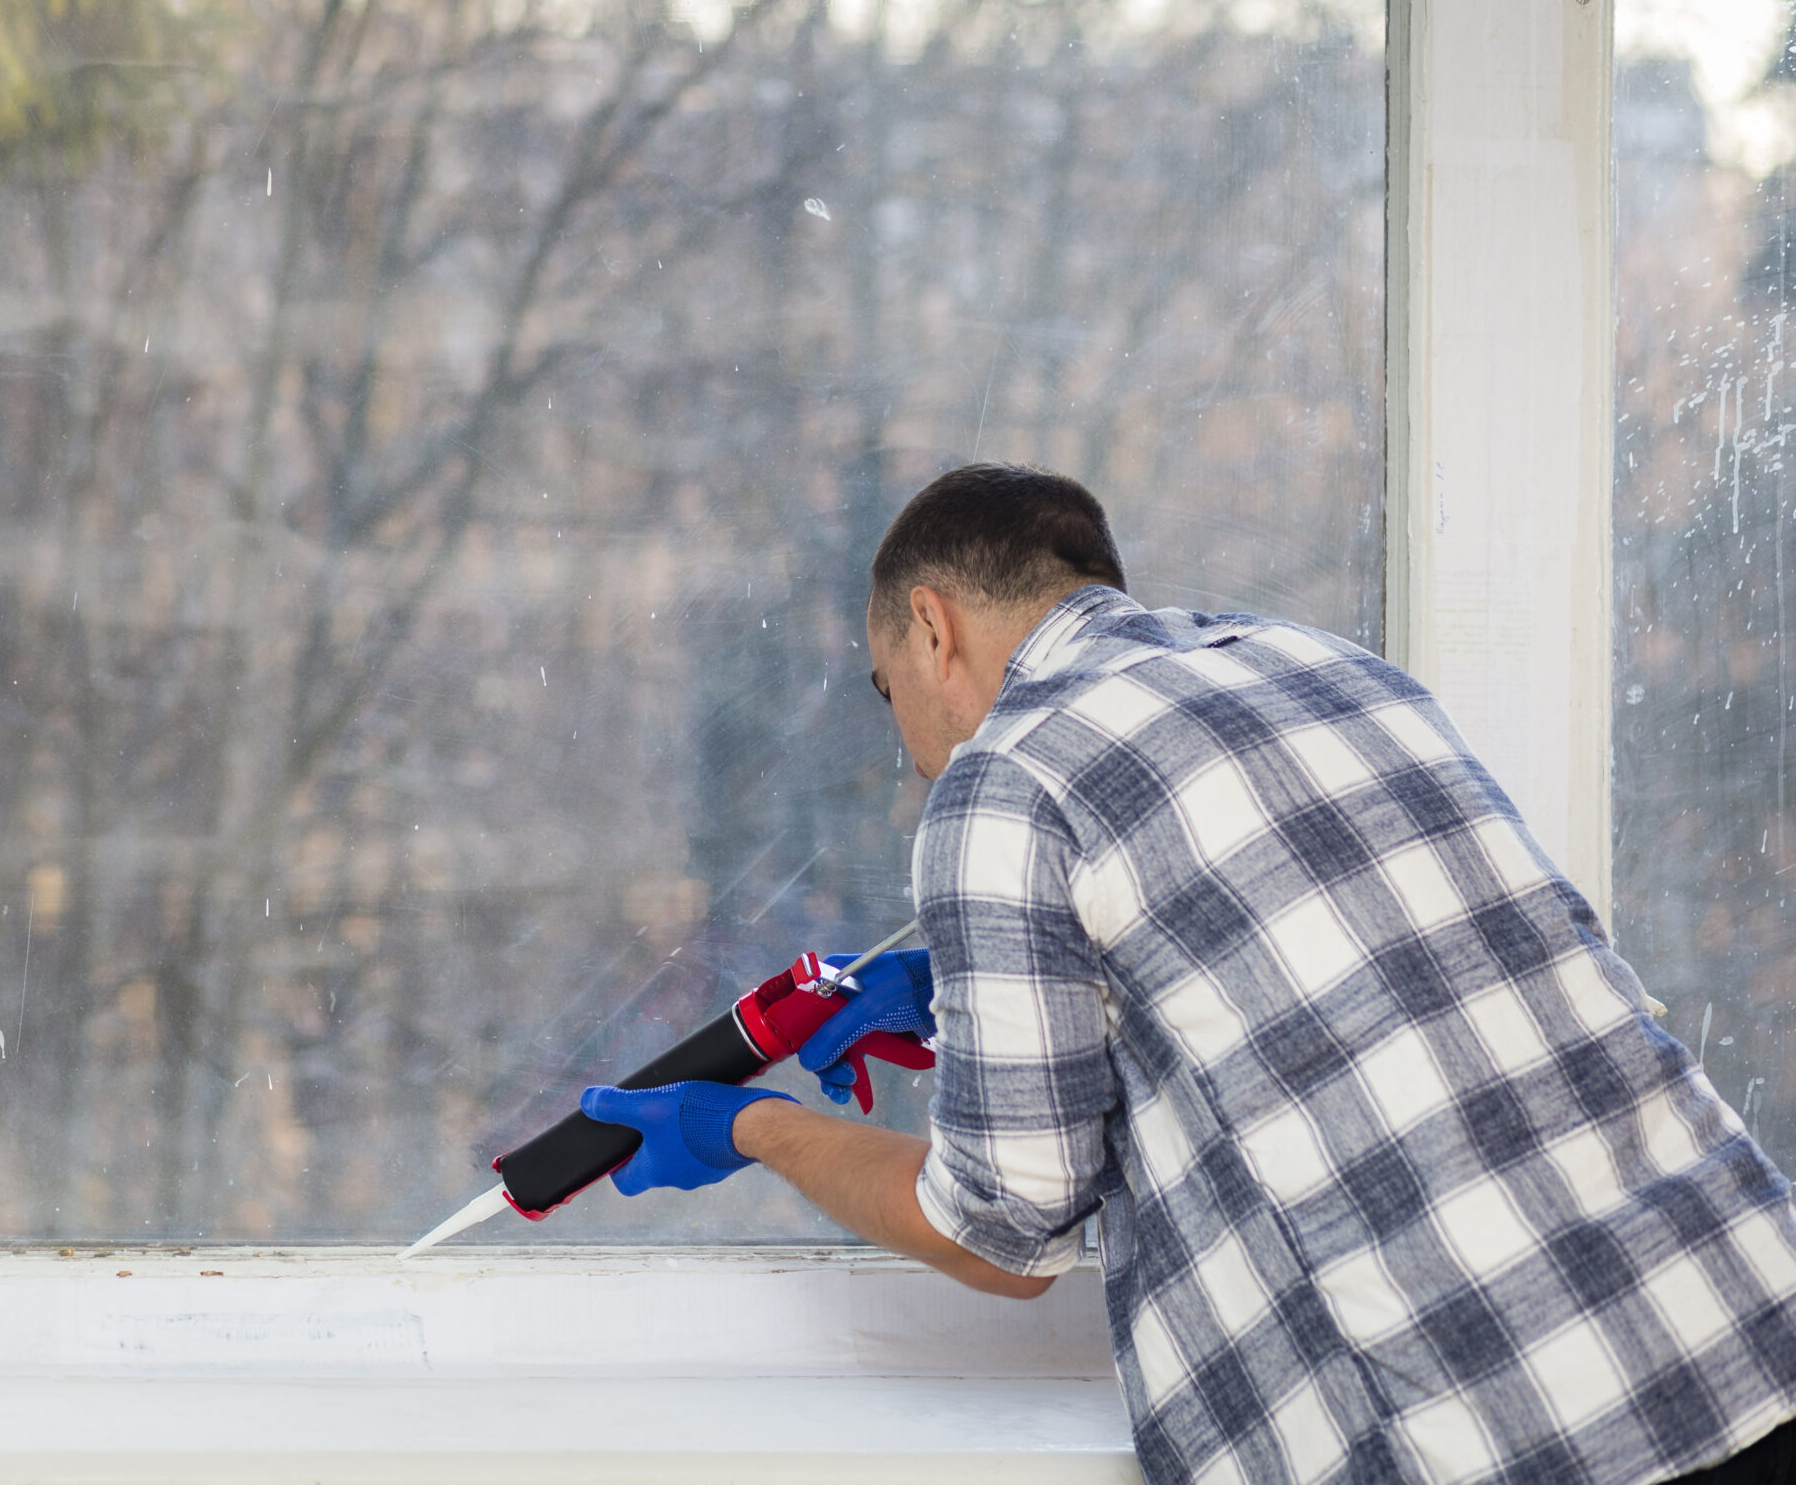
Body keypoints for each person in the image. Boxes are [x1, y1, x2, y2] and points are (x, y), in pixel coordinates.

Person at [579, 463, 1796, 1485]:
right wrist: (968, 1003)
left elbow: (999, 1235)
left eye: (885, 683)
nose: (905, 741)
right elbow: (1315, 997)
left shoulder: (1006, 781)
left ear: (932, 627)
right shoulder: (1331, 672)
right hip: (1744, 1330)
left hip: (1507, 1435)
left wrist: (753, 1130)